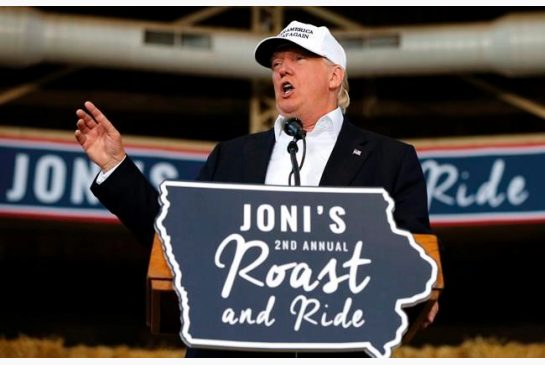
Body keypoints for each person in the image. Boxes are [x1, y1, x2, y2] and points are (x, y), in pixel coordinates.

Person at [75, 20, 438, 357]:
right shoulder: (233, 156)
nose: (282, 68)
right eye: (277, 62)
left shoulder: (390, 159)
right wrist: (115, 166)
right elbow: (176, 241)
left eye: (298, 58)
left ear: (334, 75)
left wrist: (426, 287)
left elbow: (417, 254)